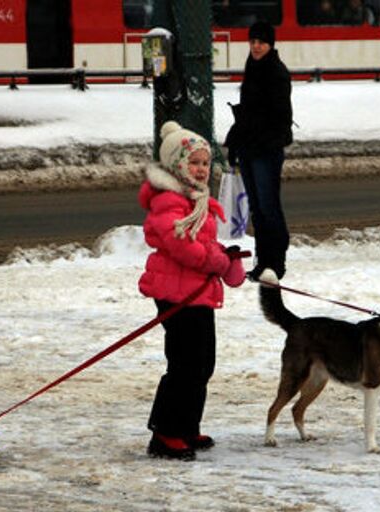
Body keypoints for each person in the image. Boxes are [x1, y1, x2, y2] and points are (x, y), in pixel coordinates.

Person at [138, 121, 246, 460]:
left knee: (203, 364)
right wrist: (217, 260)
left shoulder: (197, 199)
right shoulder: (170, 201)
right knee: (185, 364)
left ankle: (186, 424)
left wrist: (226, 260)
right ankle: (166, 433)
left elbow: (203, 245)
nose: (201, 169)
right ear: (176, 165)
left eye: (204, 163)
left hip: (197, 292)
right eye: (193, 163)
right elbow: (183, 245)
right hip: (176, 293)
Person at [225, 21, 293, 280]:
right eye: (252, 41)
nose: (255, 46)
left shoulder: (276, 72)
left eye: (261, 42)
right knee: (257, 208)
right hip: (250, 148)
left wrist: (257, 131)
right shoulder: (252, 68)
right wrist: (237, 142)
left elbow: (281, 117)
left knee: (269, 207)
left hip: (266, 150)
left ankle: (276, 263)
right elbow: (249, 112)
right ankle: (263, 261)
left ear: (270, 45)